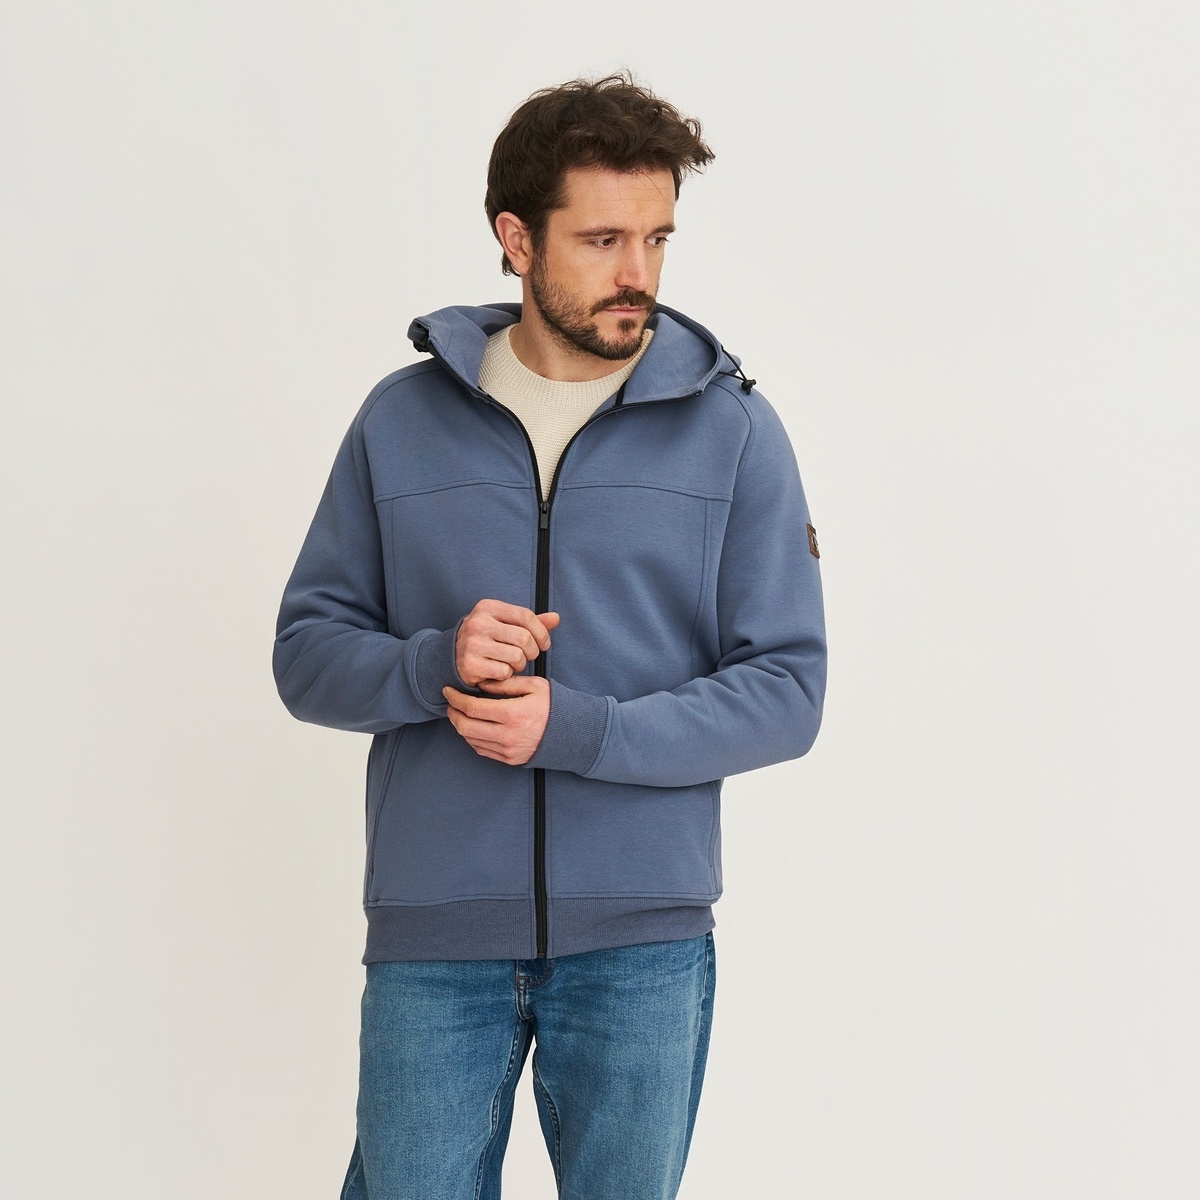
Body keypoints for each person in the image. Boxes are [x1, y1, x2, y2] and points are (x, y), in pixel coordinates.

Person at [273, 73, 827, 1200]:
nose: (639, 274)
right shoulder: (401, 420)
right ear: (517, 239)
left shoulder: (732, 430)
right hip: (437, 936)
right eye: (603, 239)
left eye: (657, 239)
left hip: (641, 942)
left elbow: (786, 690)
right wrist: (431, 663)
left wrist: (579, 729)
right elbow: (307, 654)